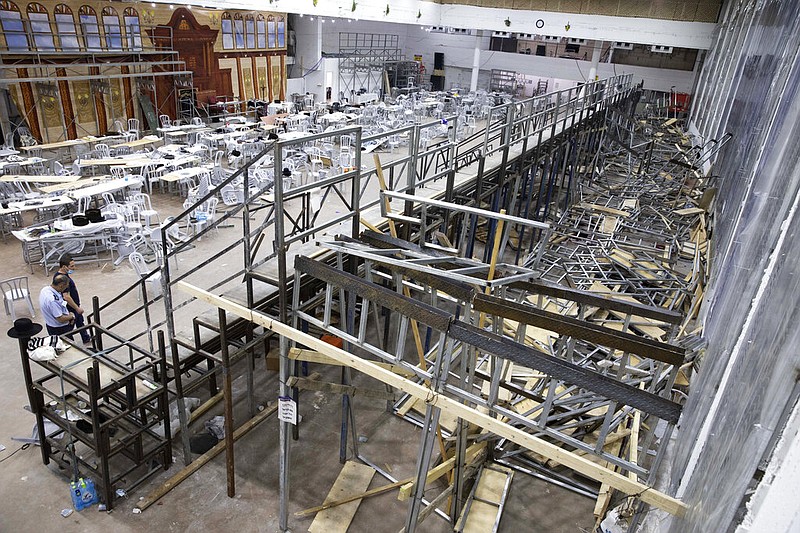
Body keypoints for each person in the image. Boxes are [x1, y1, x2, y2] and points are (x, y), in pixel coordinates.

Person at [54, 253, 92, 345]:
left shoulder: (61, 275)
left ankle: (85, 338)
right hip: (71, 307)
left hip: (73, 306)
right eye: (71, 266)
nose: (74, 268)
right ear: (64, 266)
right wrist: (76, 308)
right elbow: (66, 296)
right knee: (71, 325)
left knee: (80, 322)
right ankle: (70, 341)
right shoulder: (62, 279)